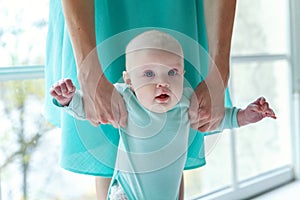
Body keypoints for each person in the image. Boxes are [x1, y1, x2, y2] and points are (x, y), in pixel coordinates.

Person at [50, 30, 276, 200]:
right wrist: (68, 99)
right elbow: (89, 107)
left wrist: (246, 115)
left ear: (183, 74)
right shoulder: (127, 99)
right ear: (129, 81)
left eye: (172, 72)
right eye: (149, 73)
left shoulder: (188, 101)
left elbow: (219, 119)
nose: (163, 82)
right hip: (127, 194)